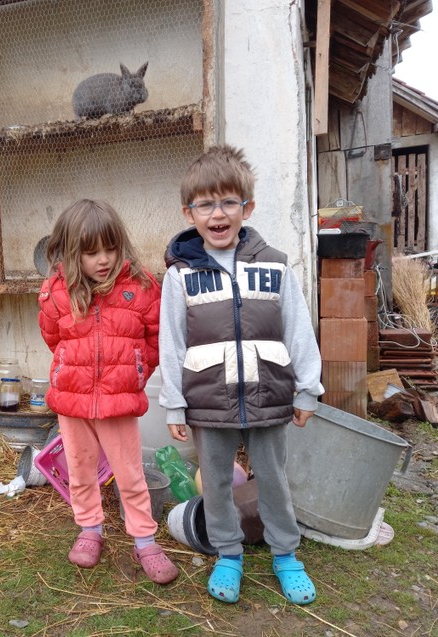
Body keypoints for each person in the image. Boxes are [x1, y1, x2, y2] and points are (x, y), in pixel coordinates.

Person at [158, 145, 324, 604]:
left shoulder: (274, 265)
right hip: (208, 400)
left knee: (273, 478)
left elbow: (298, 329)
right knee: (215, 483)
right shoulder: (181, 275)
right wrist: (174, 403)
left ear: (246, 208)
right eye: (205, 204)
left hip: (269, 394)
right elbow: (171, 342)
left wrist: (307, 390)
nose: (218, 213)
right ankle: (228, 554)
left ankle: (285, 554)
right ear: (189, 213)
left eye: (229, 202)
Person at [38, 198, 179, 585]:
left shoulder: (141, 287)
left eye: (110, 248)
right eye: (91, 252)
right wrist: (73, 370)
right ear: (72, 253)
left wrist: (134, 371)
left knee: (130, 474)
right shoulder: (56, 293)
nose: (103, 259)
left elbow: (154, 339)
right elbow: (53, 338)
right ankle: (90, 529)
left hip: (119, 402)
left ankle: (144, 540)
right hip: (73, 400)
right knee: (81, 470)